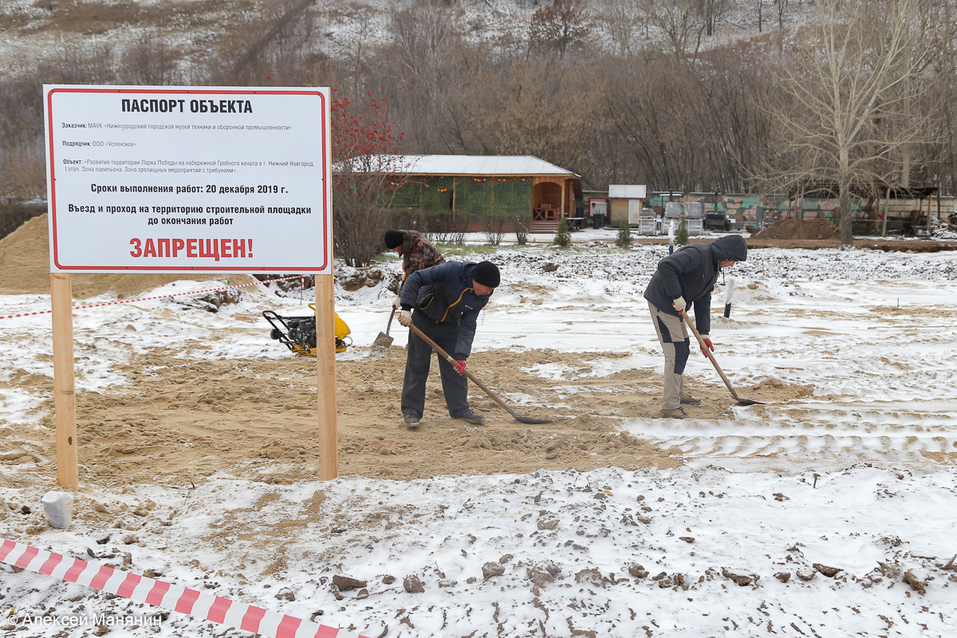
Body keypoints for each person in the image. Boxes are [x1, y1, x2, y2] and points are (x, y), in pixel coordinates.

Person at [643, 235, 748, 419]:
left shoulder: (713, 267)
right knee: (675, 353)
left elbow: (703, 299)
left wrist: (704, 333)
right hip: (663, 303)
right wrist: (676, 296)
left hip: (674, 307)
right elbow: (666, 266)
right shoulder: (698, 254)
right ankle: (670, 406)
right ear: (726, 254)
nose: (732, 264)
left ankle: (678, 394)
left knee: (682, 348)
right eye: (733, 260)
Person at [396, 260, 501, 427]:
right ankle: (411, 412)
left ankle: (460, 410)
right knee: (417, 365)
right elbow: (416, 278)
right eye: (488, 288)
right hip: (424, 319)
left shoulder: (483, 295)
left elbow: (468, 324)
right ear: (475, 280)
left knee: (455, 369)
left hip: (451, 325)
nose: (490, 292)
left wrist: (461, 355)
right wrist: (406, 307)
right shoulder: (451, 270)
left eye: (492, 289)